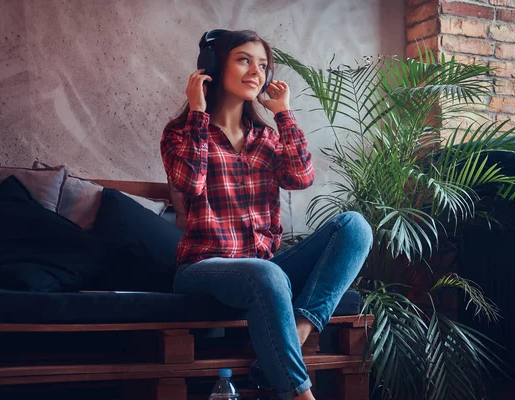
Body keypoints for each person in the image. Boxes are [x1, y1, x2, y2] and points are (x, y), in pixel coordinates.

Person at [160, 29, 373, 400]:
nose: (256, 72)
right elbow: (191, 182)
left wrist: (284, 115)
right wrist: (197, 112)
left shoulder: (267, 138)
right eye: (244, 60)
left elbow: (301, 177)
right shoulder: (181, 132)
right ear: (213, 66)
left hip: (264, 270)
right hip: (203, 269)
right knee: (266, 272)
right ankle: (300, 395)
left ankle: (299, 329)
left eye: (263, 65)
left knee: (354, 226)